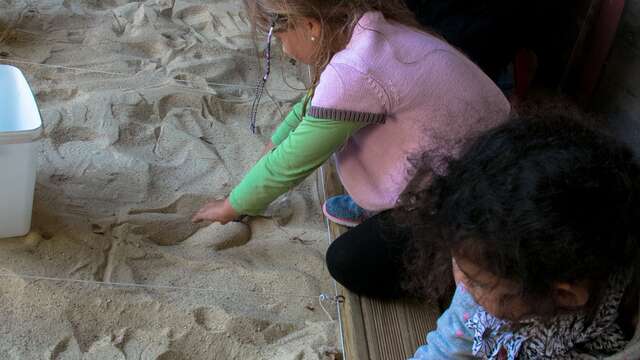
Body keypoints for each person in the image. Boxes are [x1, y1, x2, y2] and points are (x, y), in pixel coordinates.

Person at [328, 116, 640, 358]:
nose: (460, 283)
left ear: (564, 295)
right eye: (459, 263)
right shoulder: (485, 281)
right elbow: (445, 348)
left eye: (478, 281)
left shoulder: (619, 333)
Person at [191, 0, 510, 227]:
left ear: (311, 26)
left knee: (348, 262)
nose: (284, 51)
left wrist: (230, 207)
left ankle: (392, 211)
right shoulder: (366, 25)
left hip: (471, 186)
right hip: (500, 146)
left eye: (280, 40)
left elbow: (291, 161)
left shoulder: (354, 71)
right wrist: (275, 140)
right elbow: (315, 99)